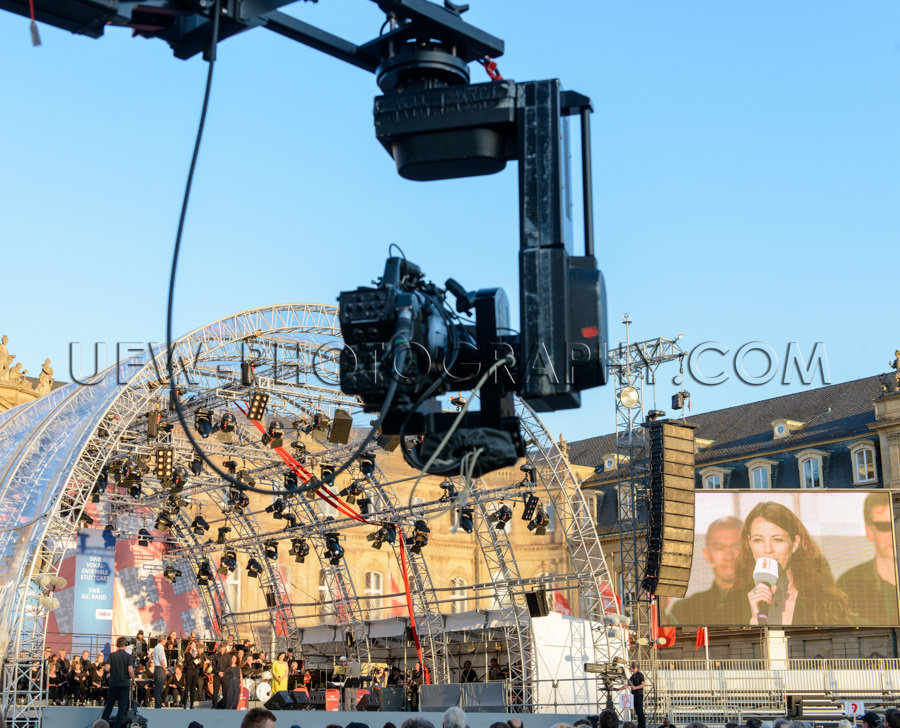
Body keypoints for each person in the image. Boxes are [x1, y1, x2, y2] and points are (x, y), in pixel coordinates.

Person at [736, 501, 852, 626]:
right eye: (758, 540)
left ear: (795, 543)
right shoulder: (734, 604)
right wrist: (754, 620)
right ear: (749, 542)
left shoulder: (825, 603)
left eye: (777, 540)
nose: (768, 549)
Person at [837, 493, 899, 625]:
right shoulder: (848, 584)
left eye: (896, 524)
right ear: (869, 531)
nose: (892, 534)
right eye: (884, 526)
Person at [669, 517, 743, 625]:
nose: (729, 556)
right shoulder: (685, 610)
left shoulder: (767, 602)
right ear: (706, 554)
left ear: (748, 551)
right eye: (719, 548)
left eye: (736, 547)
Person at [101, 636, 135, 728]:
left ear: (117, 645)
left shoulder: (112, 655)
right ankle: (117, 726)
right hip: (124, 684)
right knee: (122, 706)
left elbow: (107, 668)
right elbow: (130, 671)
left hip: (113, 683)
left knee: (109, 704)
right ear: (125, 645)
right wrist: (133, 680)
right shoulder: (128, 656)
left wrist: (110, 672)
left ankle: (102, 723)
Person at [152, 634, 168, 708]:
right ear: (163, 640)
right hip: (160, 669)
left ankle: (157, 703)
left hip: (157, 668)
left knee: (158, 687)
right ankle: (158, 704)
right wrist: (165, 669)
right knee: (159, 687)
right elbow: (162, 660)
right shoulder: (160, 648)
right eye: (166, 639)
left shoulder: (156, 647)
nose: (166, 641)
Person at [628, 662, 646, 728]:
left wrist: (635, 687)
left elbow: (643, 684)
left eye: (630, 667)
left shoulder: (640, 674)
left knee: (640, 711)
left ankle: (642, 726)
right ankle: (640, 725)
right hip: (634, 695)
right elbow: (627, 684)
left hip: (639, 695)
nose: (630, 668)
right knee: (637, 711)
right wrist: (619, 688)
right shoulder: (632, 676)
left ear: (634, 667)